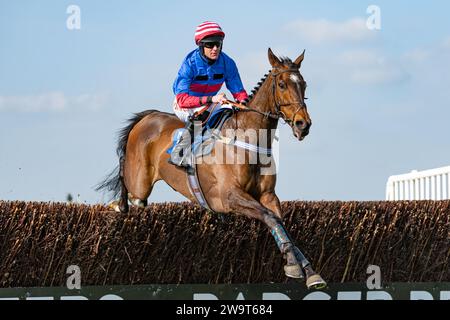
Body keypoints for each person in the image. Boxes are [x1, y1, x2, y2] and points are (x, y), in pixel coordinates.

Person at [170, 21, 248, 169]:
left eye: (218, 44)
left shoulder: (227, 62)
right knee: (201, 117)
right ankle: (179, 153)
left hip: (211, 102)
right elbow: (182, 100)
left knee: (231, 112)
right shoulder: (189, 64)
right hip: (186, 104)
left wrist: (243, 102)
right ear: (200, 45)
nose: (215, 49)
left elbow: (238, 90)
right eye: (210, 45)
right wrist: (211, 99)